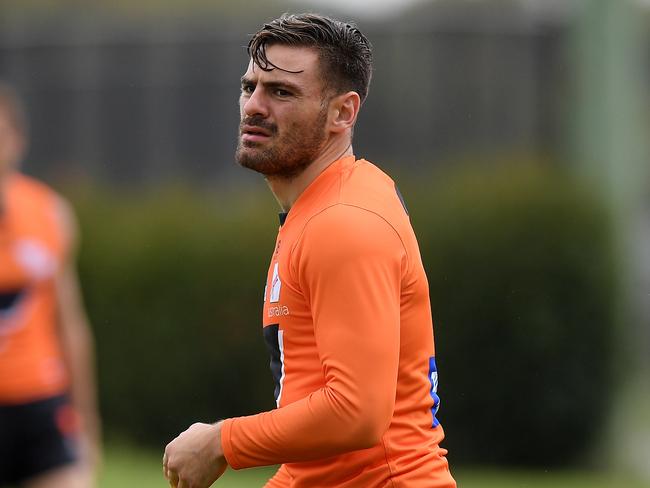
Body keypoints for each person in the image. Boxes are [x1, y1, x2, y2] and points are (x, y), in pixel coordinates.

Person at [164, 13, 456, 487]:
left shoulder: (343, 221)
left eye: (281, 92)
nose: (253, 106)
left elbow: (357, 412)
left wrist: (223, 442)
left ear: (343, 112)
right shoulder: (320, 206)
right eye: (250, 86)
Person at [0, 82, 101, 488]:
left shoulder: (49, 212)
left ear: (17, 139)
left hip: (40, 403)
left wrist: (87, 425)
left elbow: (71, 324)